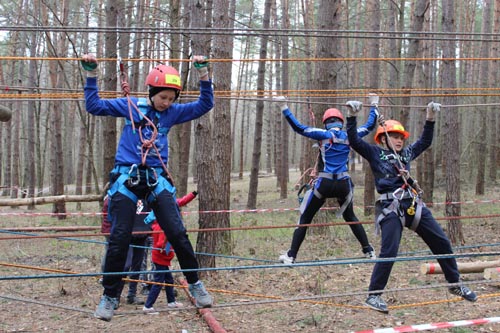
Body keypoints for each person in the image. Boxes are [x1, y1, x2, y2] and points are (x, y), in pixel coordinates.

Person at [82, 53, 214, 321]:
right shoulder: (131, 105)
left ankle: (195, 283)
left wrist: (203, 76)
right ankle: (109, 296)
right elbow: (94, 105)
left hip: (156, 178)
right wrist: (91, 74)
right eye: (162, 97)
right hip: (126, 178)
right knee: (119, 238)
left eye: (171, 98)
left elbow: (204, 105)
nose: (166, 103)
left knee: (177, 232)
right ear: (152, 92)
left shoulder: (174, 112)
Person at [346, 94, 477, 313]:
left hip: (413, 206)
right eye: (395, 136)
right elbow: (354, 141)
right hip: (391, 208)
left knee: (442, 242)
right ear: (383, 138)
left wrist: (430, 117)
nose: (399, 140)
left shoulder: (406, 153)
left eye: (401, 137)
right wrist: (351, 117)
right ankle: (374, 295)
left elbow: (424, 141)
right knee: (389, 251)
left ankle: (455, 284)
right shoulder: (375, 153)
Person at [274, 96, 378, 264]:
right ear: (341, 122)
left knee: (305, 218)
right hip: (344, 184)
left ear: (326, 122)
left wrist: (284, 107)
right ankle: (369, 251)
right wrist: (374, 105)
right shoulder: (350, 135)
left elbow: (298, 128)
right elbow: (369, 126)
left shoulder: (323, 134)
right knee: (350, 216)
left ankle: (291, 255)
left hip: (325, 183)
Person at [142, 190, 197, 313]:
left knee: (169, 279)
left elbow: (182, 201)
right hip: (160, 258)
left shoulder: (163, 217)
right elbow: (161, 245)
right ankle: (148, 306)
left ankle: (171, 301)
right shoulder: (162, 226)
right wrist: (169, 239)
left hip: (163, 258)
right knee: (158, 282)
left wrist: (193, 194)